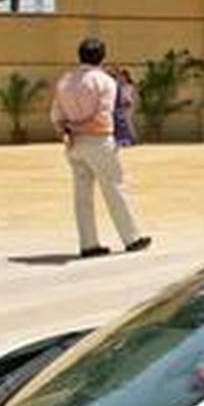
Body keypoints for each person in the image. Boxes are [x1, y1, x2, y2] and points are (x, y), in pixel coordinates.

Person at [50, 37, 151, 258]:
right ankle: (131, 238)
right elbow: (102, 117)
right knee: (114, 188)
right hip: (97, 140)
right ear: (101, 57)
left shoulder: (65, 80)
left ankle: (88, 244)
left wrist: (68, 130)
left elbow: (56, 115)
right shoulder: (104, 81)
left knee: (82, 195)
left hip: (73, 143)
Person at [111, 66, 138, 147]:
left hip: (128, 106)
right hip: (121, 106)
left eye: (123, 76)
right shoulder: (119, 86)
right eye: (121, 76)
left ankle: (133, 138)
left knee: (128, 122)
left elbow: (132, 96)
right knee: (124, 123)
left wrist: (130, 102)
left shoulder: (129, 86)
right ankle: (126, 139)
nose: (122, 78)